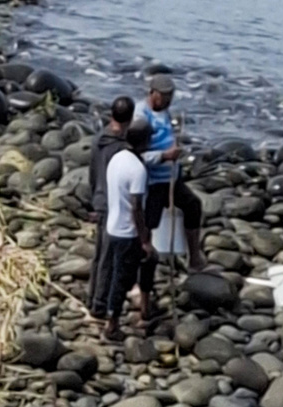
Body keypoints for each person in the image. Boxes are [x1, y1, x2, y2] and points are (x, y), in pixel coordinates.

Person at [134, 72, 205, 272]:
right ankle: (141, 268)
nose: (167, 101)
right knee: (149, 223)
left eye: (170, 98)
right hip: (153, 181)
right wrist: (164, 156)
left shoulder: (164, 112)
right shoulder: (141, 115)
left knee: (193, 206)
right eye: (164, 97)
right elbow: (138, 154)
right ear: (153, 93)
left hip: (172, 177)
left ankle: (194, 258)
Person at [103, 119, 155, 341]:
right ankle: (112, 324)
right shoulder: (138, 169)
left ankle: (122, 313)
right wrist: (144, 239)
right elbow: (136, 207)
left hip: (112, 226)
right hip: (127, 232)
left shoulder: (116, 159)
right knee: (122, 279)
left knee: (114, 273)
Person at [87, 95, 135, 319]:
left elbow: (93, 172)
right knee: (107, 257)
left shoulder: (99, 139)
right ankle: (99, 304)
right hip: (111, 203)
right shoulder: (121, 147)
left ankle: (93, 298)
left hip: (98, 197)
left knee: (99, 255)